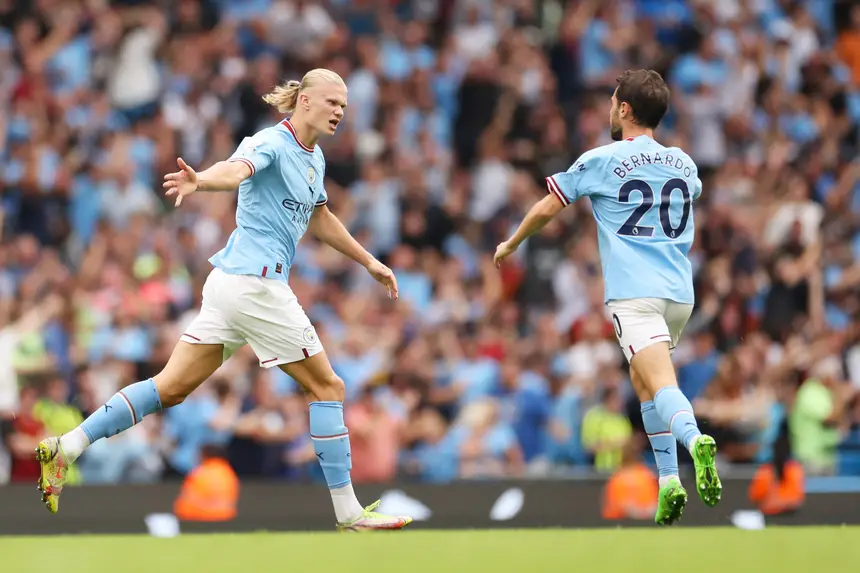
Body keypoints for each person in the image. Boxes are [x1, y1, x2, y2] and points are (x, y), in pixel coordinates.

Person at [35, 68, 412, 531]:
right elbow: (236, 170)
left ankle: (65, 447)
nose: (340, 112)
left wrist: (369, 261)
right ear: (306, 101)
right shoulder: (272, 142)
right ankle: (348, 513)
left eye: (344, 106)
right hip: (256, 286)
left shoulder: (314, 160)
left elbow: (322, 218)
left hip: (231, 285)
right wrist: (201, 182)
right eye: (333, 102)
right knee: (329, 387)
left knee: (170, 388)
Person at [494, 69, 721, 526]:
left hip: (634, 294)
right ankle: (669, 481)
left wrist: (512, 243)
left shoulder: (602, 158)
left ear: (624, 109)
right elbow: (691, 192)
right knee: (643, 383)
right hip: (679, 295)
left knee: (660, 383)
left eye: (612, 100)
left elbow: (547, 206)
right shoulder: (684, 162)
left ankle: (695, 439)